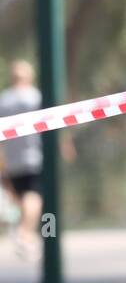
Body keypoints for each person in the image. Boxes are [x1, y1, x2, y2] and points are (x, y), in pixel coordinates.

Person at [0, 61, 73, 258]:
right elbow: (55, 122)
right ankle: (24, 234)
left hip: (12, 160)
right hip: (35, 157)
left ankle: (24, 232)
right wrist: (64, 147)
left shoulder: (3, 100)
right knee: (34, 197)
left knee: (21, 197)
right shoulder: (36, 97)